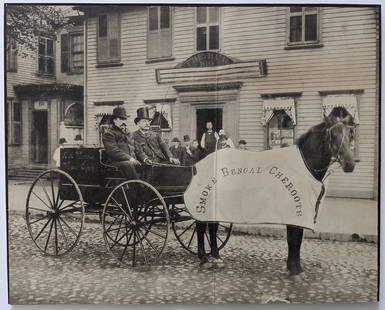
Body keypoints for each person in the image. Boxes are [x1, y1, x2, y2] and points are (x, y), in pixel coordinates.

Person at [102, 106, 141, 180]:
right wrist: (130, 158)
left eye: (125, 119)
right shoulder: (109, 134)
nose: (124, 122)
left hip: (131, 161)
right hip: (116, 163)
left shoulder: (128, 133)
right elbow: (113, 151)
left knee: (147, 165)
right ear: (114, 120)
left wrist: (144, 158)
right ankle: (138, 187)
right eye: (121, 119)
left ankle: (150, 186)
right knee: (128, 164)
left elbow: (137, 148)